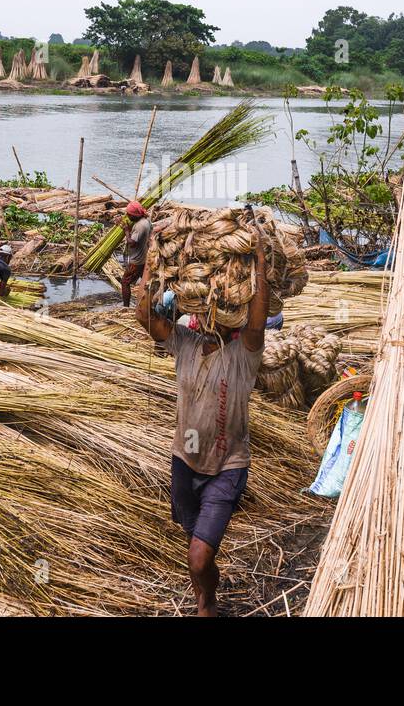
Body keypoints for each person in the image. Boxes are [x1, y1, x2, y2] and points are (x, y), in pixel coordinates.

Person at [134, 221, 268, 617]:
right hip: (184, 458)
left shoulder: (244, 354)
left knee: (196, 557)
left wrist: (258, 261)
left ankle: (205, 602)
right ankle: (207, 592)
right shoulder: (184, 343)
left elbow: (258, 323)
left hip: (227, 465)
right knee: (195, 547)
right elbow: (147, 317)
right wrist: (149, 265)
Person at [120, 201, 152, 308]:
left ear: (134, 215)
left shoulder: (139, 226)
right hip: (145, 258)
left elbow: (132, 243)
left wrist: (126, 231)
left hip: (137, 261)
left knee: (125, 282)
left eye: (129, 214)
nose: (127, 216)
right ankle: (145, 305)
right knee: (146, 284)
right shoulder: (146, 221)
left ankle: (126, 308)